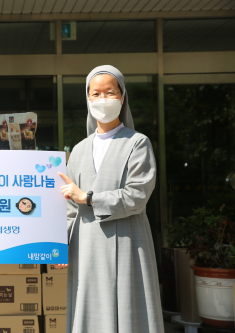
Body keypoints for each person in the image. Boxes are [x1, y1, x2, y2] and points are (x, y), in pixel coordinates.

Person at [56, 65, 164, 333]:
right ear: (88, 99)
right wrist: (61, 246)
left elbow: (138, 195)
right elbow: (70, 209)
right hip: (87, 245)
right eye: (96, 93)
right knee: (91, 312)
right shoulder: (79, 150)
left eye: (110, 92)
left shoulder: (138, 143)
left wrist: (88, 198)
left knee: (130, 313)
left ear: (122, 97)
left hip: (128, 241)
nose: (102, 99)